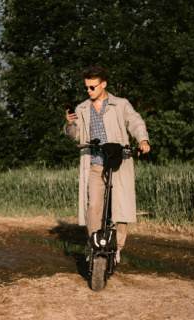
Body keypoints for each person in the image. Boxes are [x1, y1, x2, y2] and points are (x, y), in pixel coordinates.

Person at [64, 66, 150, 262]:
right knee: (93, 205)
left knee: (120, 207)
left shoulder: (121, 104)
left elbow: (135, 121)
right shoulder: (82, 108)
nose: (89, 91)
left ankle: (117, 248)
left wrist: (143, 140)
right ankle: (94, 247)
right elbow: (75, 136)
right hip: (94, 163)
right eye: (86, 87)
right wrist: (69, 125)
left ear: (104, 84)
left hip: (118, 162)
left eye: (92, 87)